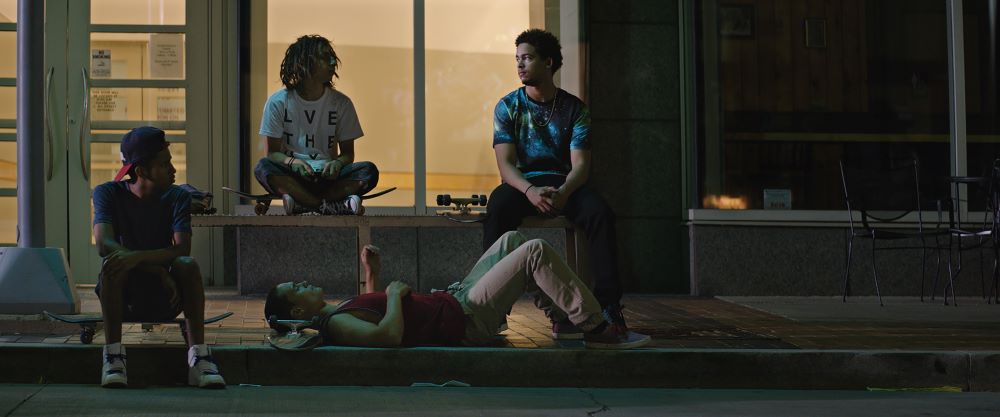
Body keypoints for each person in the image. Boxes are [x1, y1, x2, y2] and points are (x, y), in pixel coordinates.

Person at [264, 231, 650, 349]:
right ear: (297, 313)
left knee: (513, 239)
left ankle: (561, 322)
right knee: (534, 251)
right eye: (296, 287)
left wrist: (373, 275)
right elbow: (386, 335)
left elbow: (372, 310)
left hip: (455, 298)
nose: (304, 282)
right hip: (464, 319)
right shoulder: (335, 326)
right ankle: (596, 327)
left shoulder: (338, 313)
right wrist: (396, 296)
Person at [485, 29, 627, 339]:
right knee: (497, 209)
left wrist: (563, 193)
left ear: (548, 63)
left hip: (564, 187)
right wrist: (530, 191)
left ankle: (608, 306)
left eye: (528, 58)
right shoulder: (508, 106)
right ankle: (493, 307)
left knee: (599, 213)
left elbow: (581, 166)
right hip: (522, 186)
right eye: (517, 59)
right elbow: (505, 164)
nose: (520, 65)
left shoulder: (575, 109)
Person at [93, 127, 225, 388]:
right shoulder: (107, 193)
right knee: (113, 264)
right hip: (125, 294)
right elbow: (104, 244)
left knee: (187, 265)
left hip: (168, 295)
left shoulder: (177, 196)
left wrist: (147, 264)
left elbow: (181, 250)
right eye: (165, 164)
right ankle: (114, 358)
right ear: (141, 171)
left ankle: (198, 359)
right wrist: (156, 270)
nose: (173, 170)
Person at [255, 34, 379, 215]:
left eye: (332, 56)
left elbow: (348, 154)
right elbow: (272, 153)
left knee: (368, 171)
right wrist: (292, 162)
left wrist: (337, 164)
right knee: (262, 167)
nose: (332, 62)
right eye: (324, 57)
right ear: (305, 62)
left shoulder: (341, 103)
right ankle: (331, 205)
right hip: (294, 176)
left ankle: (303, 204)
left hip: (329, 178)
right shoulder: (278, 102)